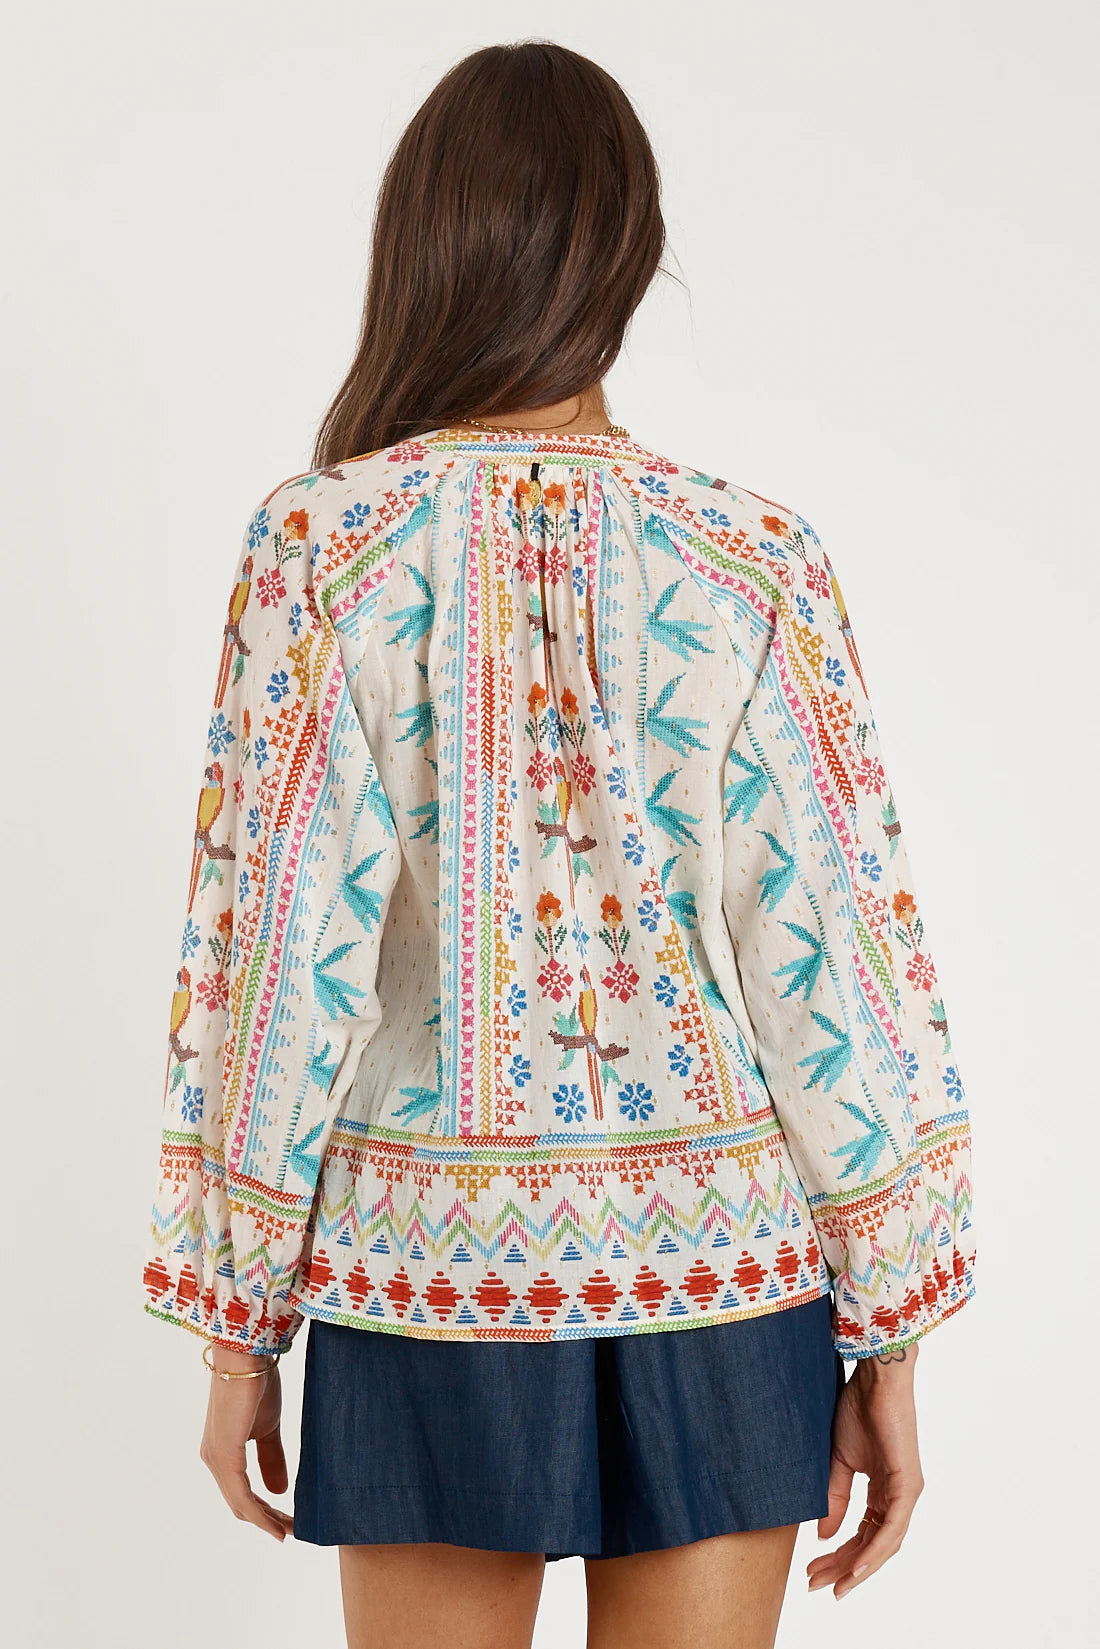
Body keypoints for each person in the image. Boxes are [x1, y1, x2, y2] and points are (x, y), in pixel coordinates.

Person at [141, 38, 977, 1649]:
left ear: (423, 243)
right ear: (634, 257)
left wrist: (236, 1324)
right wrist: (891, 1327)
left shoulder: (323, 546)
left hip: (430, 1283)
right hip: (729, 1287)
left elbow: (275, 963)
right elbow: (838, 961)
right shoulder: (755, 558)